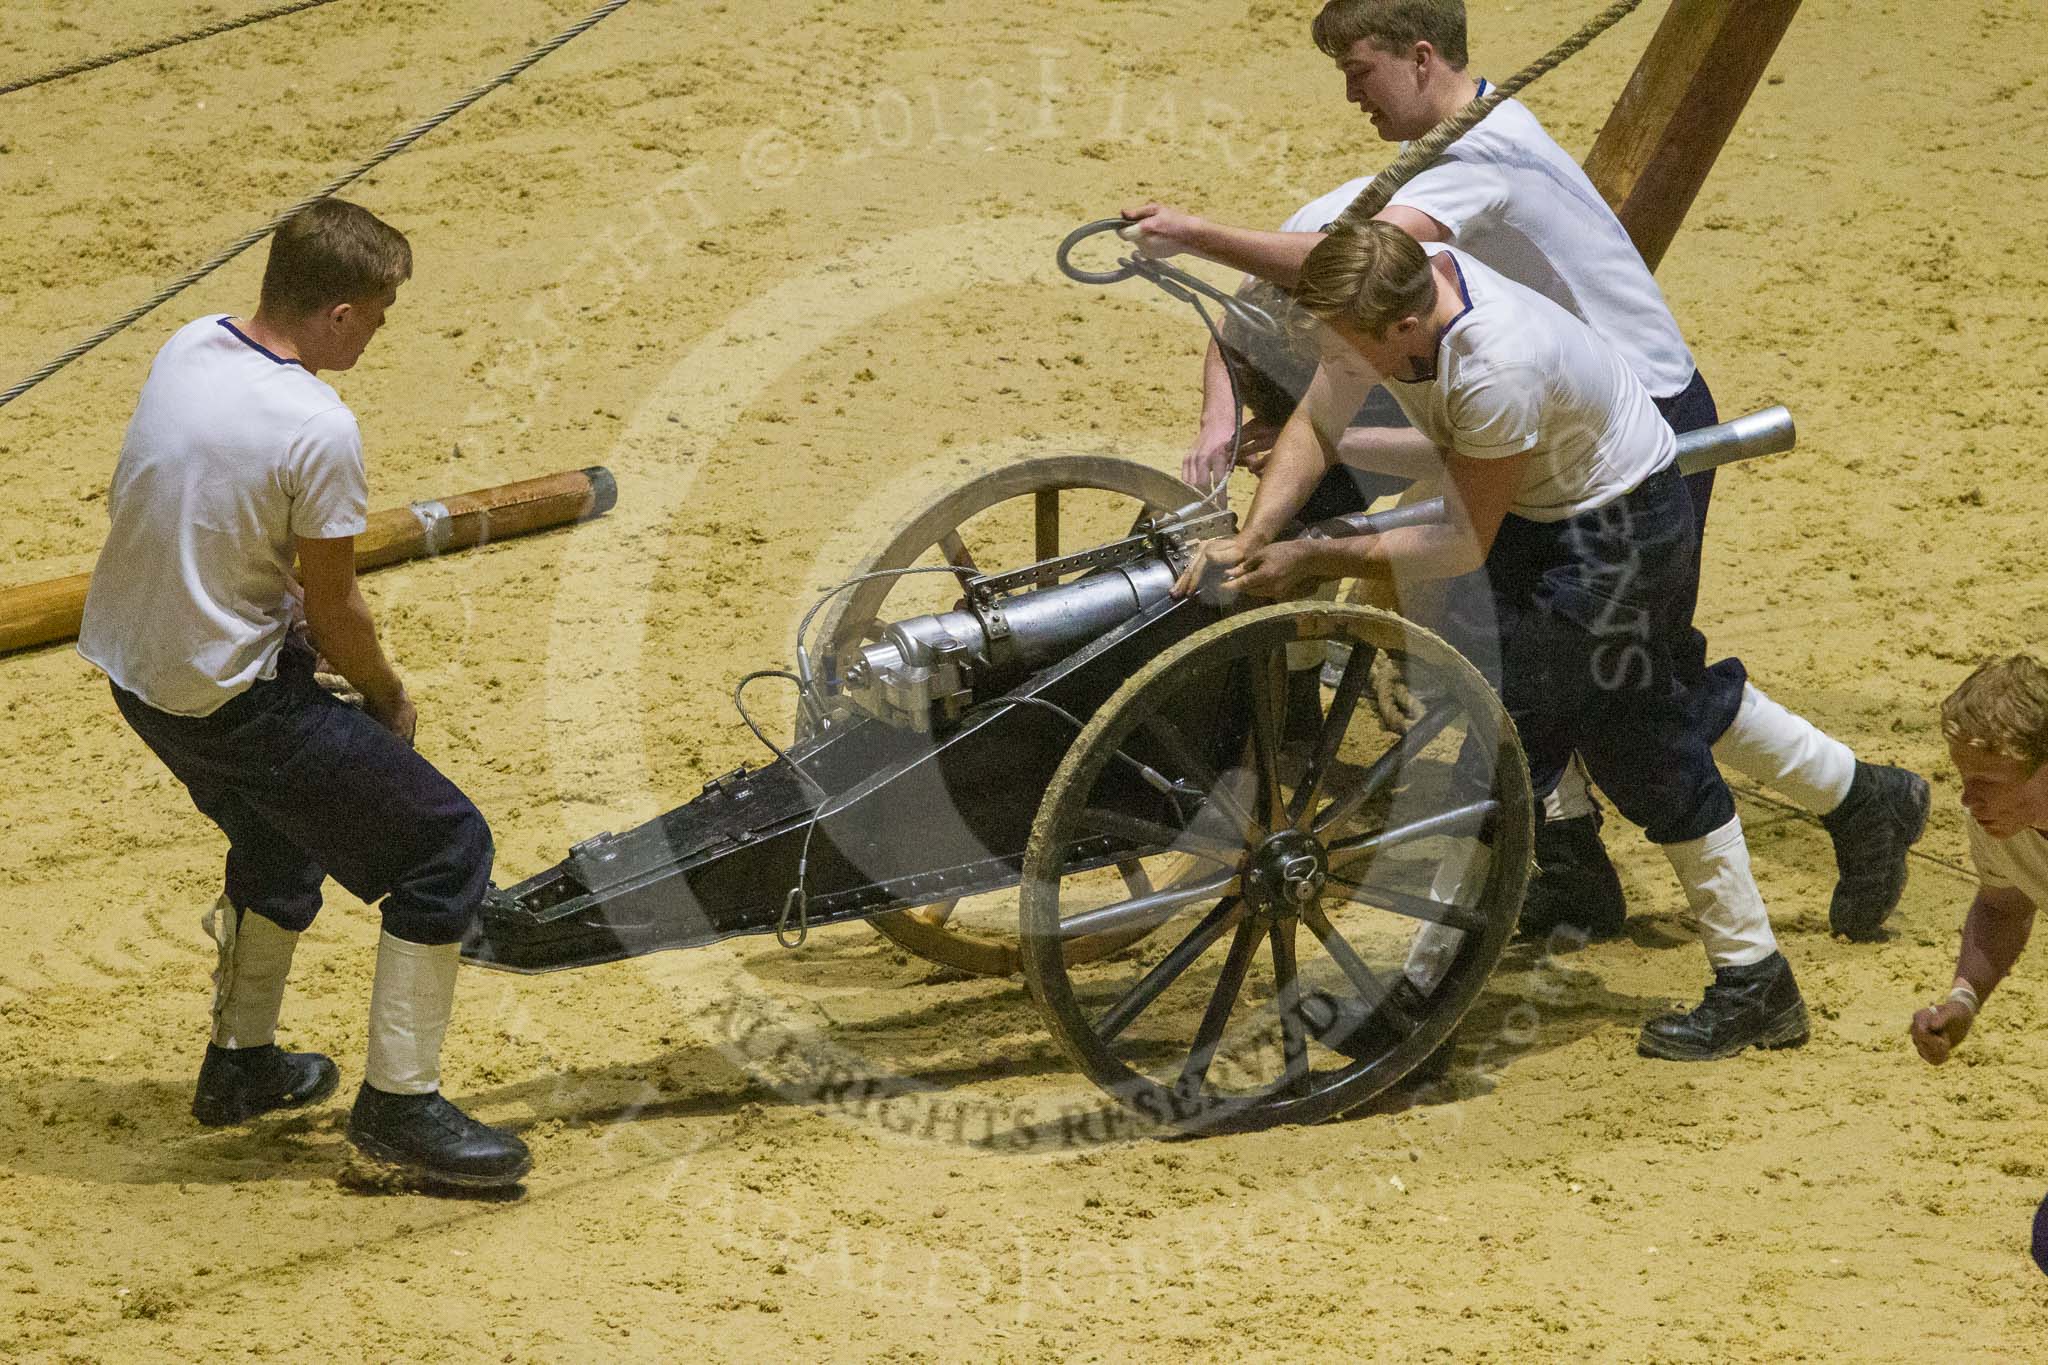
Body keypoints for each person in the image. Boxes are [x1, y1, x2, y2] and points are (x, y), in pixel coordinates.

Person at [1130, 0, 1929, 943]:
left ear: (1421, 57)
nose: (1349, 94)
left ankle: (1840, 811)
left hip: (1628, 426)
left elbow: (1305, 268)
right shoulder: (1407, 177)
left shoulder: (1483, 159)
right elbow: (1297, 282)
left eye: (1358, 71)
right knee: (1548, 664)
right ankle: (1584, 861)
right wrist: (1231, 420)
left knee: (1618, 682)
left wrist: (1193, 232)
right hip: (1539, 411)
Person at [1178, 219, 1810, 1060]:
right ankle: (1747, 975)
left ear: (1404, 330)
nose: (1343, 363)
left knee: (1569, 747)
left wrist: (1313, 553)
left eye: (1355, 349)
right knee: (1562, 742)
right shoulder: (1388, 297)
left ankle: (1432, 996)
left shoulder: (1493, 365)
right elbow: (1319, 425)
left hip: (1616, 533)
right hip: (1544, 506)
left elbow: (1461, 542)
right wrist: (1260, 532)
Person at [77, 199, 530, 1189]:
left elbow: (162, 502)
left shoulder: (189, 345)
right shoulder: (317, 424)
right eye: (376, 311)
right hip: (229, 700)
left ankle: (241, 1067)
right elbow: (336, 608)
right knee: (445, 846)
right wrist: (385, 697)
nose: (377, 329)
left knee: (278, 832)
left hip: (135, 673)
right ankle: (400, 1108)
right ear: (333, 313)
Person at [1909, 655, 2048, 1273]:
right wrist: (1964, 998)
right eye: (1965, 778)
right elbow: (2004, 901)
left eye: (1988, 782)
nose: (1967, 799)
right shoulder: (1999, 826)